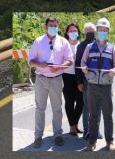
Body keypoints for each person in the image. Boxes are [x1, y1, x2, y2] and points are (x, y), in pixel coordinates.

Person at [29, 17, 74, 148]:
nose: (53, 28)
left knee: (57, 109)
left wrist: (60, 67)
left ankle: (58, 135)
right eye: (51, 25)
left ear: (58, 27)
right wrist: (39, 64)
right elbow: (30, 60)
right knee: (39, 108)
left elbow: (70, 60)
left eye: (55, 26)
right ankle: (38, 136)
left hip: (57, 79)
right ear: (45, 27)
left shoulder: (63, 42)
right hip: (41, 79)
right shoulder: (38, 41)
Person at [81, 18, 115, 151]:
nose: (102, 32)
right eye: (100, 30)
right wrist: (84, 68)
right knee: (93, 115)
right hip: (92, 86)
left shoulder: (112, 48)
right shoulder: (88, 47)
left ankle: (110, 142)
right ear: (96, 31)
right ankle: (92, 142)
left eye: (104, 30)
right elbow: (83, 63)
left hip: (106, 86)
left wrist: (114, 71)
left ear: (108, 31)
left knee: (108, 115)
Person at [75, 22, 103, 140]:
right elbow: (77, 65)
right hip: (86, 81)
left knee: (98, 106)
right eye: (87, 32)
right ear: (84, 33)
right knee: (87, 107)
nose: (89, 34)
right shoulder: (81, 46)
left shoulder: (100, 43)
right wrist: (79, 82)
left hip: (100, 81)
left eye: (91, 32)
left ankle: (96, 130)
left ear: (95, 32)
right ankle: (87, 131)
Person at [62, 23, 83, 136]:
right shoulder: (64, 45)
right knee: (69, 102)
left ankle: (76, 124)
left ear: (78, 32)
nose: (73, 33)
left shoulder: (81, 45)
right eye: (70, 31)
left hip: (79, 77)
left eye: (75, 30)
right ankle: (72, 126)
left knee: (80, 102)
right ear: (67, 33)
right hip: (67, 76)